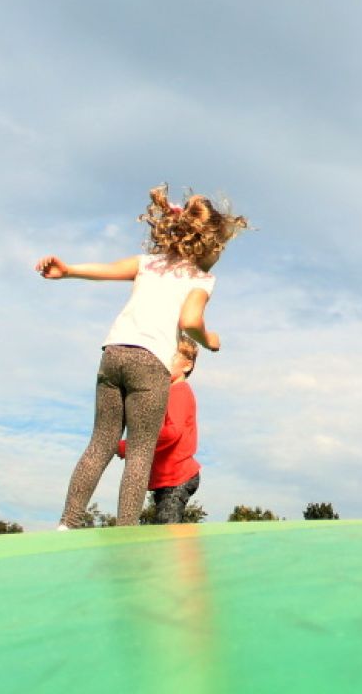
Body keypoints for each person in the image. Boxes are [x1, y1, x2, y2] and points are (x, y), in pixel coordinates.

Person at [36, 185, 247, 527]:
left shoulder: (148, 264)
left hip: (113, 353)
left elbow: (105, 270)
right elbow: (190, 321)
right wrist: (209, 340)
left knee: (100, 442)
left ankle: (67, 521)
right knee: (140, 451)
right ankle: (126, 530)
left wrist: (67, 270)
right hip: (150, 364)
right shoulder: (202, 279)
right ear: (208, 245)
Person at [116, 338, 202, 524]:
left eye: (172, 357)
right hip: (167, 479)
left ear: (187, 365)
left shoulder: (178, 392)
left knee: (167, 528)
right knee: (163, 528)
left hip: (178, 477)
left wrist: (130, 446)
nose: (164, 361)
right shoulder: (168, 393)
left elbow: (173, 432)